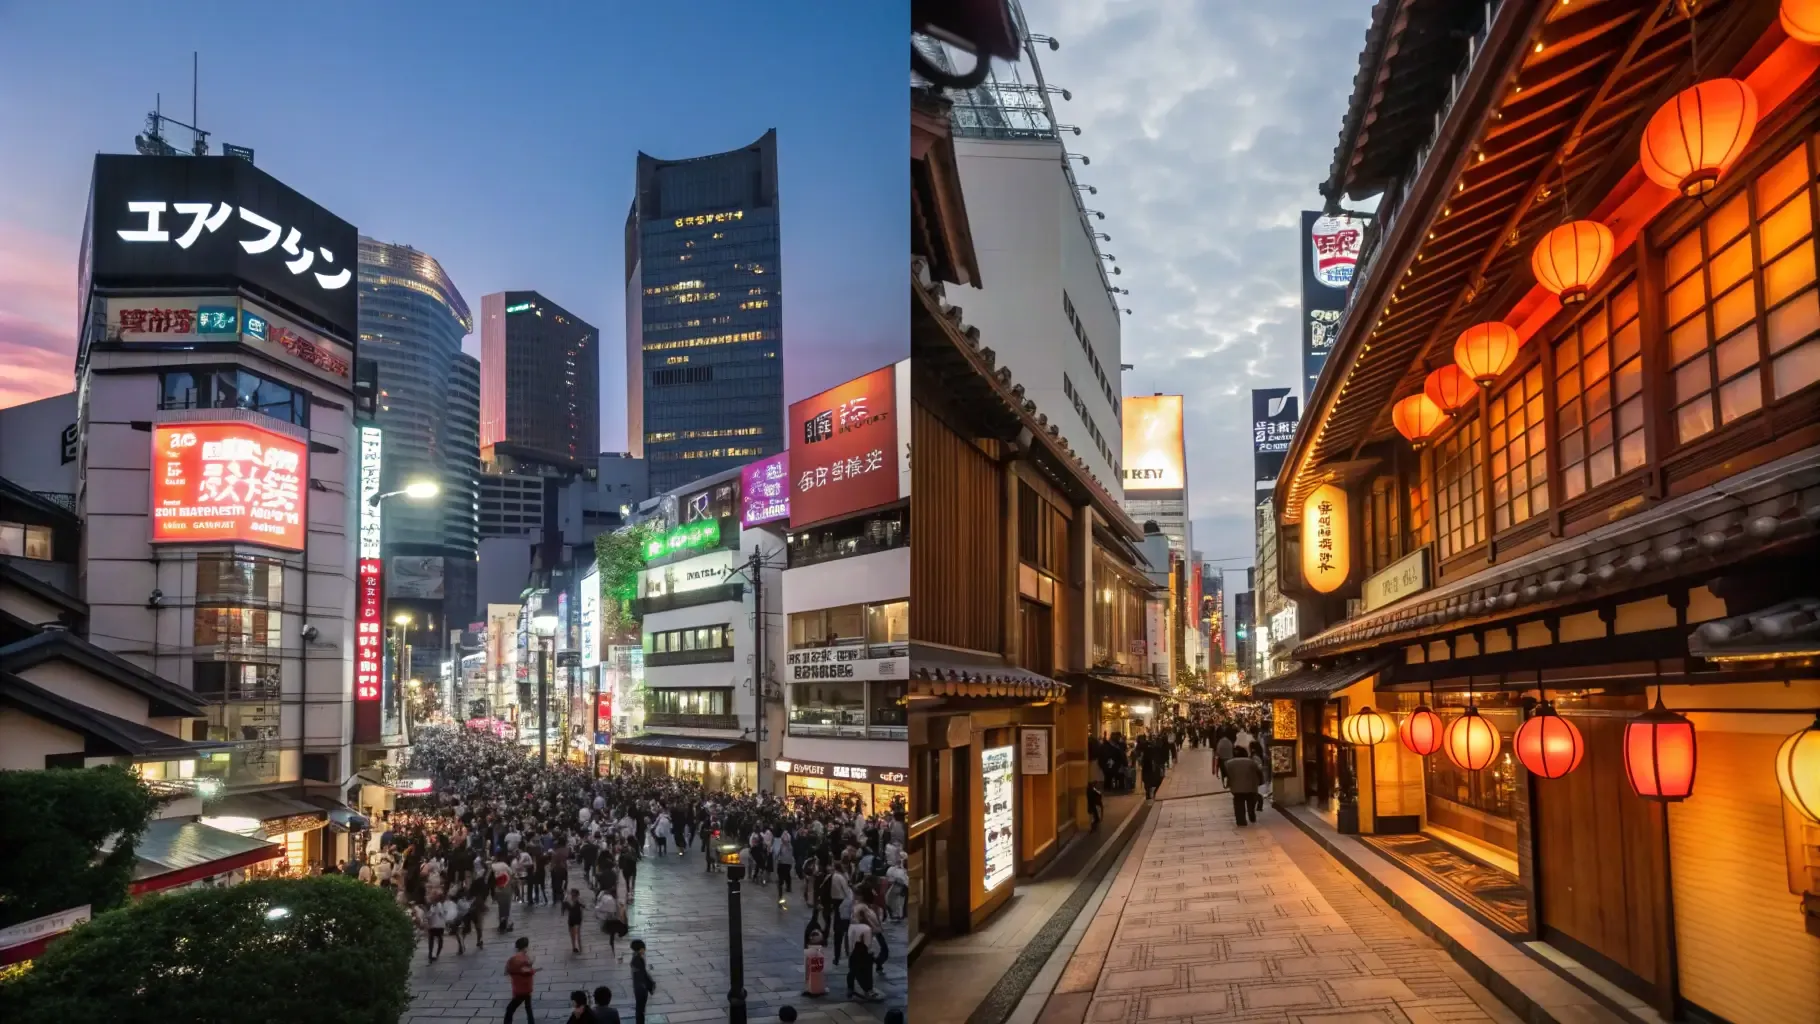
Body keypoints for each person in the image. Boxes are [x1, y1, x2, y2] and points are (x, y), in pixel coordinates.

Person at [1224, 743, 1265, 826]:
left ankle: (1241, 821)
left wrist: (1229, 784)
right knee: (1251, 803)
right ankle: (1251, 816)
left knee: (1239, 804)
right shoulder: (1251, 762)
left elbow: (1228, 775)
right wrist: (1260, 782)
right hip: (1251, 787)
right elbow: (1259, 772)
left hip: (1236, 788)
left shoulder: (1229, 763)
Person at [505, 936, 538, 1023]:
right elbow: (528, 971)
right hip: (527, 988)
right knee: (528, 1008)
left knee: (510, 1009)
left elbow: (507, 971)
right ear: (526, 947)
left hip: (519, 989)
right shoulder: (526, 958)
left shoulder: (512, 959)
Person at [629, 938, 656, 1024]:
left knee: (640, 1009)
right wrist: (650, 985)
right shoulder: (637, 960)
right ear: (640, 949)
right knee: (640, 1010)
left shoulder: (637, 957)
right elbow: (643, 975)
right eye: (643, 948)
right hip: (641, 988)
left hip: (639, 987)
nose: (644, 950)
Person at [564, 887, 586, 954]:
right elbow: (583, 907)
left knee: (574, 934)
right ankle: (578, 947)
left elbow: (566, 909)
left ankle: (575, 947)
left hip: (574, 918)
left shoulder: (569, 900)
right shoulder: (579, 900)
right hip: (576, 918)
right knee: (576, 933)